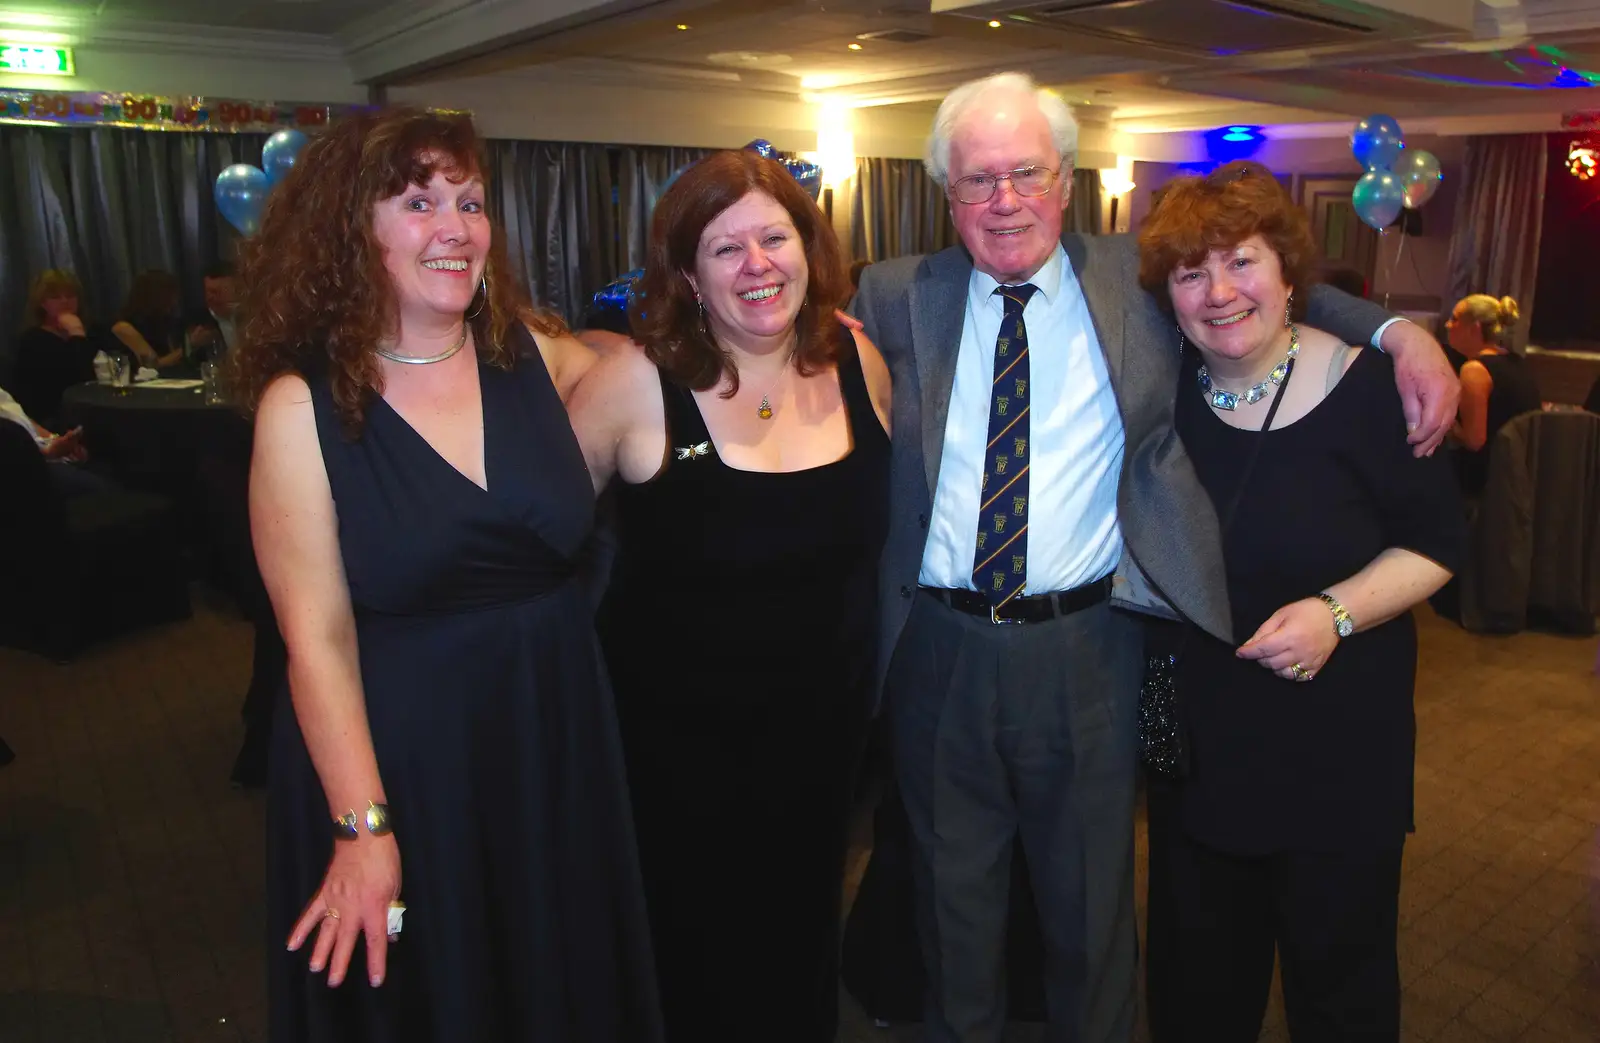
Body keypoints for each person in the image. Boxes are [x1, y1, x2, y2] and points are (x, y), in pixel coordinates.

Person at [849, 72, 1461, 1043]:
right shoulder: (893, 294)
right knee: (947, 907)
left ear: (1066, 179)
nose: (1003, 199)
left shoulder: (1131, 281)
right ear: (946, 193)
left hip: (1094, 644)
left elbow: (1259, 281)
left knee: (1091, 913)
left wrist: (1398, 330)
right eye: (976, 180)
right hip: (937, 650)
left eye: (1025, 173)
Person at [234, 107, 661, 1042]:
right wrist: (361, 825)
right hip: (401, 756)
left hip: (549, 733)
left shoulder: (541, 357)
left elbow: (670, 380)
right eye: (421, 201)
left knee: (554, 978)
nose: (456, 227)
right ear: (355, 229)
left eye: (470, 202)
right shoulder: (301, 405)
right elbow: (314, 637)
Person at [568, 148, 891, 1043]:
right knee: (689, 970)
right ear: (685, 274)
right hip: (673, 759)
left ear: (807, 249)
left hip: (822, 745)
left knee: (796, 956)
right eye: (725, 248)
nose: (758, 265)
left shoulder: (861, 365)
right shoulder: (636, 384)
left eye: (774, 238)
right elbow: (531, 535)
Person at [1136, 163, 1464, 1043]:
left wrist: (1337, 612)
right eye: (1191, 273)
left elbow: (1439, 542)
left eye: (1241, 262)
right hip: (1198, 755)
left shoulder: (1370, 390)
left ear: (1287, 273)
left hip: (1336, 753)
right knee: (1196, 990)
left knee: (1340, 991)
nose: (1219, 292)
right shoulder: (1159, 393)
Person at [1444, 294, 1542, 497]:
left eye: (1454, 319)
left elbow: (1474, 441)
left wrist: (1448, 424)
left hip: (1487, 481)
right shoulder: (1518, 362)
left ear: (1475, 328)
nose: (1447, 325)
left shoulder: (1475, 370)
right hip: (1521, 474)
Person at [11, 270, 99, 432]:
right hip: (54, 419)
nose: (65, 301)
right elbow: (77, 380)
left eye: (70, 295)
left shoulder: (93, 330)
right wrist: (76, 334)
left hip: (92, 408)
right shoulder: (33, 340)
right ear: (42, 304)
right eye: (56, 297)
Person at [0, 383, 116, 498]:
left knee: (107, 464)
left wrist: (55, 439)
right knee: (101, 489)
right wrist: (49, 452)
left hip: (39, 448)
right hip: (25, 467)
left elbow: (19, 416)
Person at [111, 270, 187, 371]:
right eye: (170, 295)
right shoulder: (124, 327)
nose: (174, 301)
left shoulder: (164, 322)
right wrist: (189, 347)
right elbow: (152, 364)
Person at [188, 261, 241, 360]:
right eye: (207, 291)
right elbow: (191, 362)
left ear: (236, 290)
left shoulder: (254, 316)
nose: (209, 297)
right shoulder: (200, 320)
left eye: (216, 292)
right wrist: (194, 345)